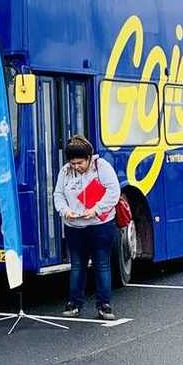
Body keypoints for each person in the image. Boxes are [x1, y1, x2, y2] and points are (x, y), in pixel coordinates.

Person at [53, 135, 120, 321]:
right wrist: (65, 211)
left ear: (89, 158)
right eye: (72, 163)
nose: (76, 166)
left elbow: (114, 191)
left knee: (102, 264)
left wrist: (96, 210)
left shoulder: (102, 167)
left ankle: (104, 305)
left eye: (80, 162)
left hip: (100, 225)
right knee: (77, 265)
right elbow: (58, 195)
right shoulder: (65, 172)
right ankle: (74, 303)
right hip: (74, 226)